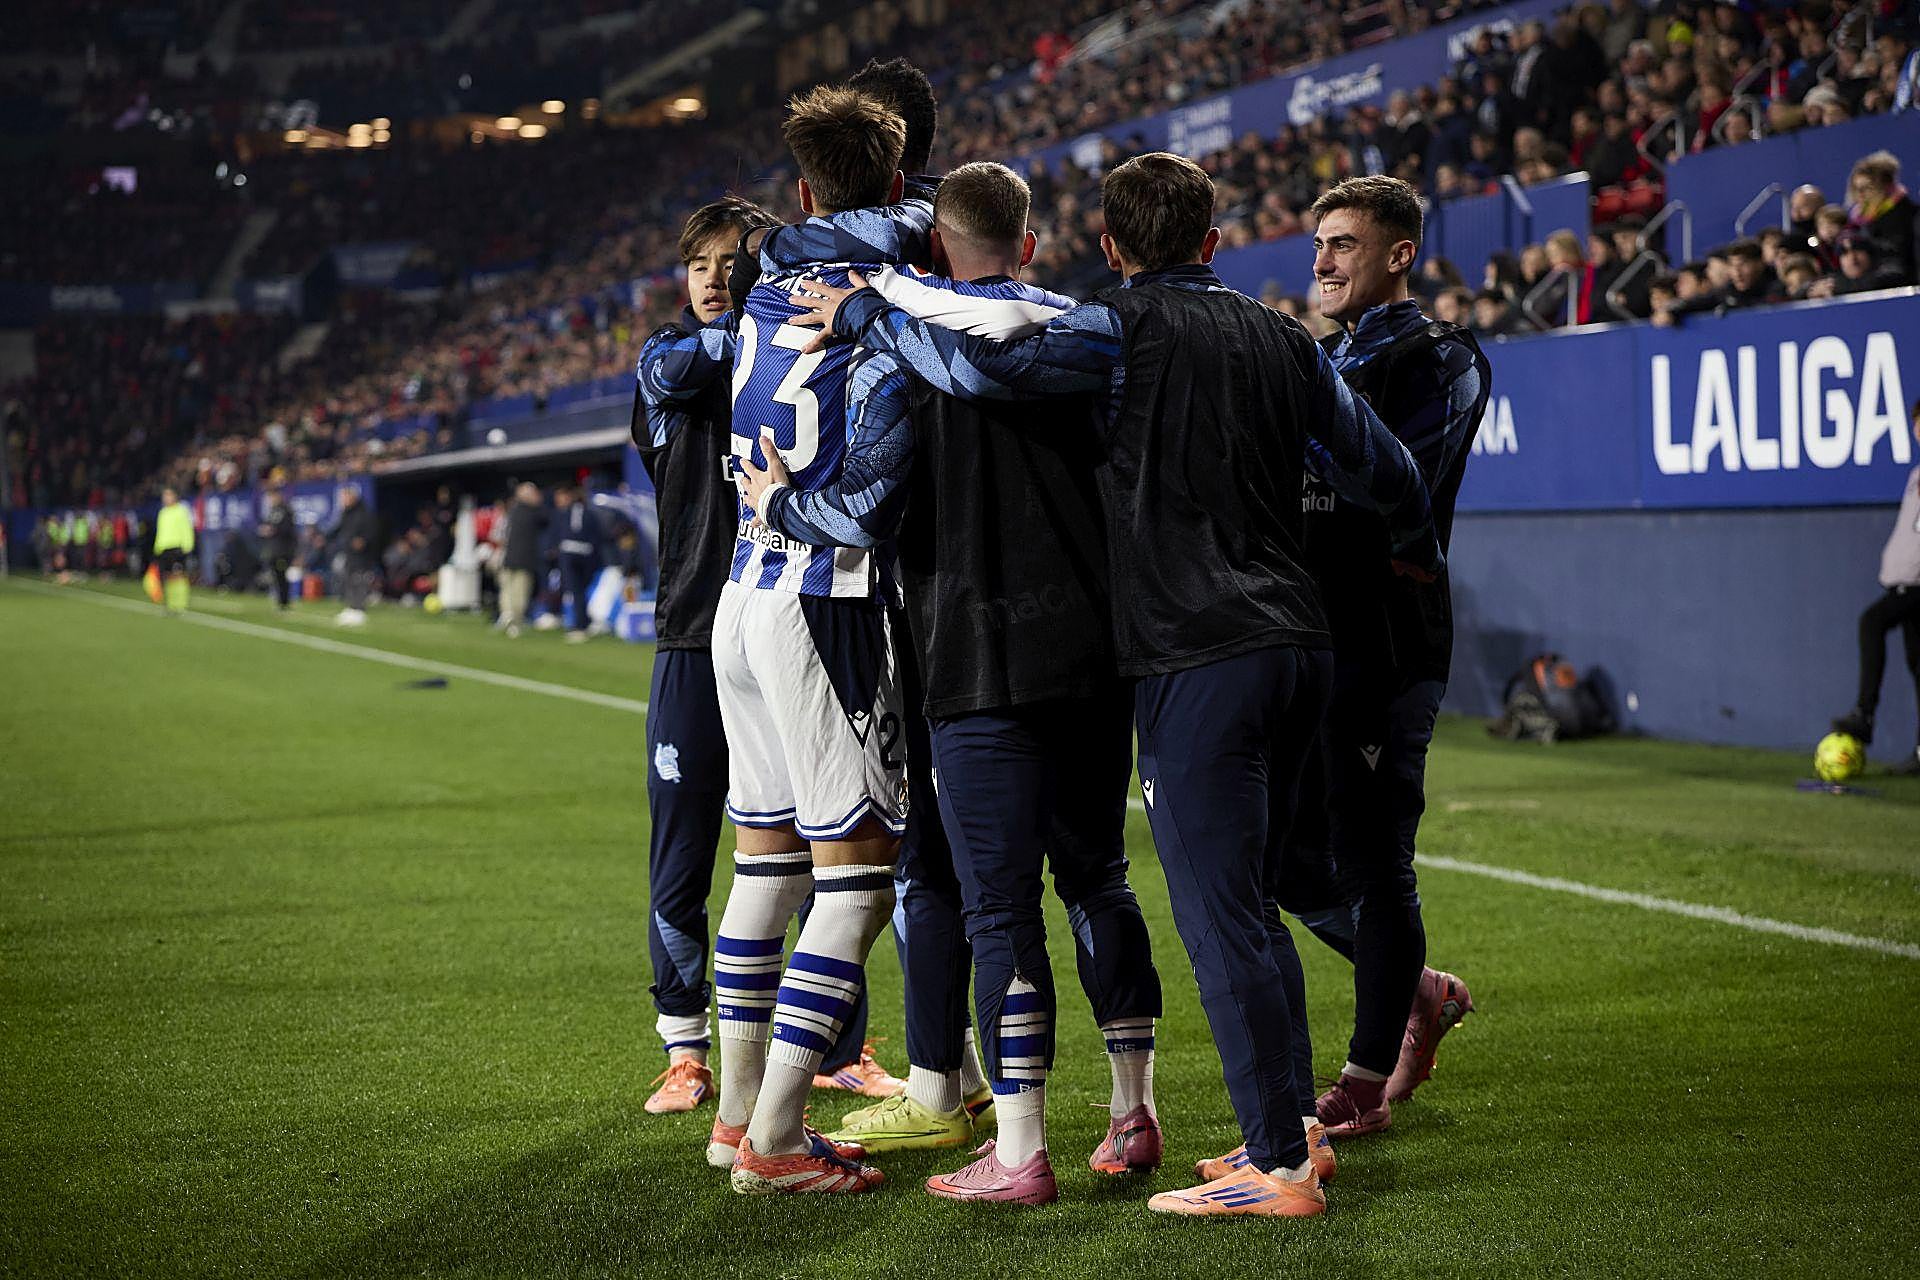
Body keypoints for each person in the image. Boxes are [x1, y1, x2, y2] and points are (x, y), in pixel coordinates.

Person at [791, 151, 1439, 1219]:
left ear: (1110, 248)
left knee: (1221, 911)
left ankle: (1277, 1168)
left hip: (1199, 653)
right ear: (1215, 242)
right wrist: (1408, 547)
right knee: (1257, 907)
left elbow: (984, 366)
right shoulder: (1285, 335)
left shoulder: (1116, 329)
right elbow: (1391, 475)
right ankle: (1291, 1135)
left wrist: (867, 312)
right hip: (1302, 648)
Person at [742, 160, 1170, 1204]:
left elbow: (866, 512)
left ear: (934, 247)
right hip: (1089, 652)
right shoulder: (1081, 327)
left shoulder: (899, 354)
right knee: (1100, 878)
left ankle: (1020, 1149)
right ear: (1028, 242)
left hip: (972, 655)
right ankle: (1133, 1110)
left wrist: (778, 505)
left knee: (998, 907)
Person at [632, 195, 896, 1118]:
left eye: (730, 264)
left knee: (812, 843)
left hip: (776, 613)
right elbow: (676, 369)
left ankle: (840, 1051)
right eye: (700, 264)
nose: (716, 279)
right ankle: (683, 1048)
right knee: (688, 847)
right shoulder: (671, 358)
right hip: (691, 633)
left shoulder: (781, 344)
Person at [706, 85, 918, 1197]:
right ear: (894, 184)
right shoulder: (892, 281)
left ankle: (732, 1115)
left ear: (799, 191)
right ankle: (779, 1140)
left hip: (741, 595)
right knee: (857, 883)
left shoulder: (757, 287)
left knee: (768, 865)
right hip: (823, 594)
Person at [1265, 176, 1490, 1144]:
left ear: (1400, 253)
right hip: (1305, 635)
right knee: (1276, 856)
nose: (1322, 259)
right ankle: (1418, 987)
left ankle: (1360, 1075)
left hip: (1389, 641)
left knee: (1371, 858)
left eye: (1345, 243)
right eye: (1319, 242)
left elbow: (1391, 486)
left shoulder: (1442, 358)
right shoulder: (1319, 357)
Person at [1831, 402, 1920, 775]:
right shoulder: (1916, 474)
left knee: (1871, 621)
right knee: (1918, 665)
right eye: (1918, 423)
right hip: (1904, 581)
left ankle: (1864, 714)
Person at [549, 487, 604, 643]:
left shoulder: (565, 513)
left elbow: (558, 533)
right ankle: (584, 621)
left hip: (569, 554)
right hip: (587, 554)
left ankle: (580, 626)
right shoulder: (590, 514)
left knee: (576, 591)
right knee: (581, 591)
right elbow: (597, 537)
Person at [497, 482, 544, 637]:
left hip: (513, 559)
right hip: (520, 559)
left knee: (512, 591)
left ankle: (510, 618)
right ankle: (512, 620)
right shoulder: (529, 511)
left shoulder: (515, 511)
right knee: (516, 592)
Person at [330, 487, 379, 627]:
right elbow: (338, 529)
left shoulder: (364, 513)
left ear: (352, 497)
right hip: (349, 553)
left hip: (362, 555)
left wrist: (363, 540)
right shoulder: (346, 513)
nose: (343, 501)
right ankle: (351, 607)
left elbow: (373, 532)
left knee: (360, 580)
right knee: (349, 579)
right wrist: (324, 537)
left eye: (345, 497)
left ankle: (359, 610)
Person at [152, 488, 195, 616]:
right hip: (164, 548)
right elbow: (160, 531)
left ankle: (181, 604)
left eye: (169, 495)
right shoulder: (163, 512)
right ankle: (170, 604)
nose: (166, 498)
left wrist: (187, 545)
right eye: (164, 495)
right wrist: (157, 547)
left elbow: (186, 528)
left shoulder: (181, 511)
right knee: (167, 576)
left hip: (177, 547)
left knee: (179, 576)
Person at [259, 486, 297, 611]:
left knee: (281, 575)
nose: (271, 499)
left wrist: (273, 530)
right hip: (273, 549)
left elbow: (288, 529)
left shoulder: (286, 510)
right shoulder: (272, 511)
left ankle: (284, 602)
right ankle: (279, 600)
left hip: (283, 549)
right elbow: (267, 525)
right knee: (275, 575)